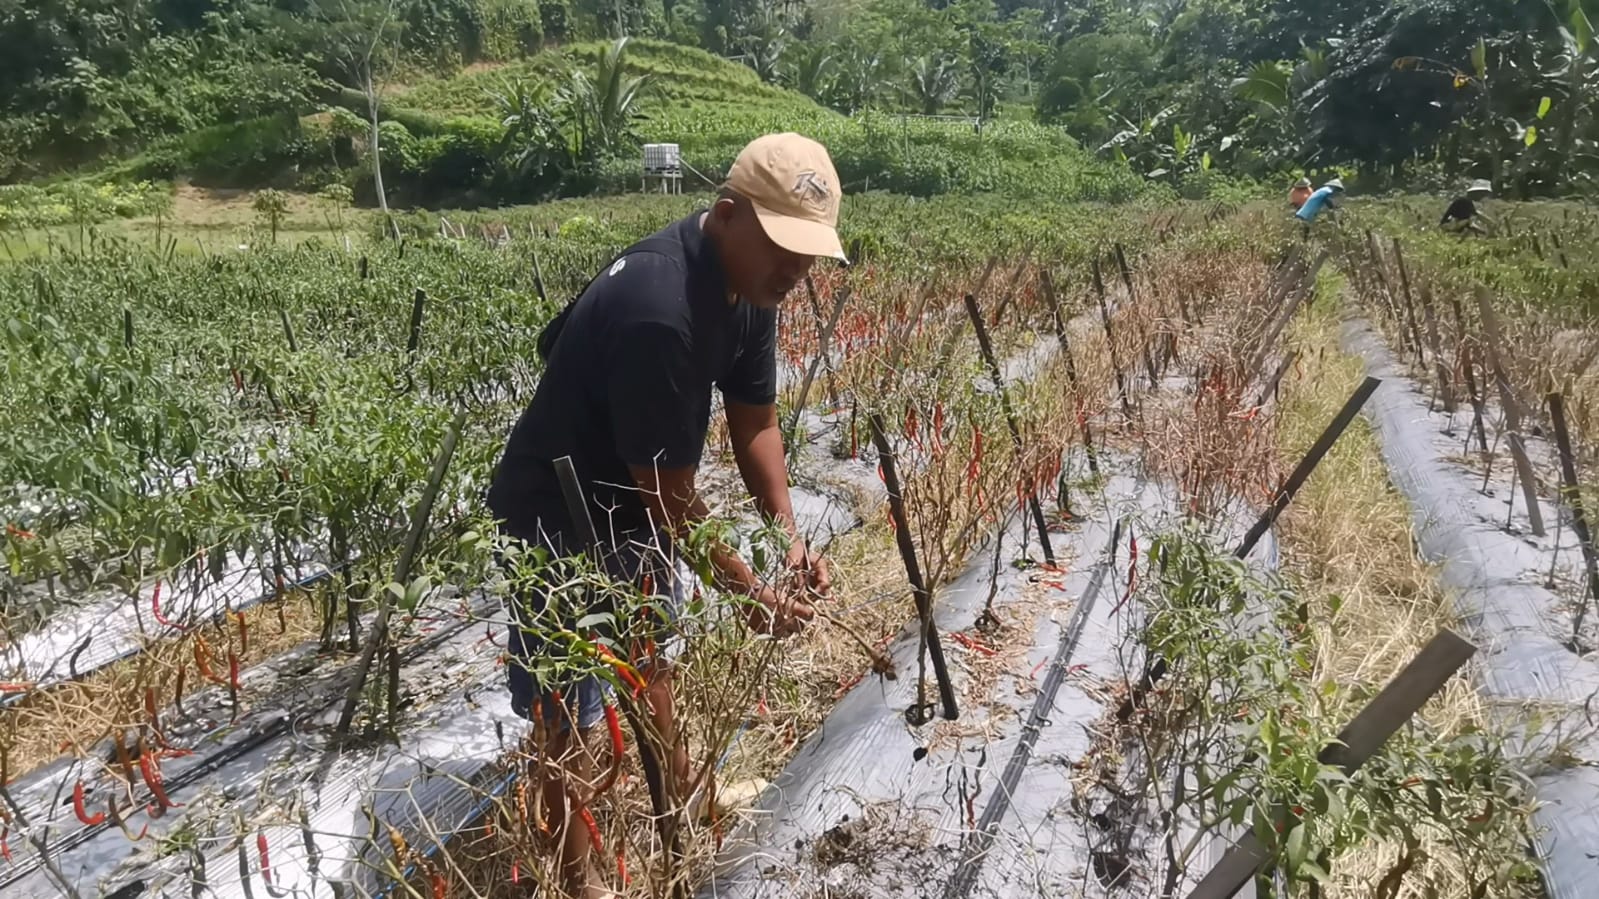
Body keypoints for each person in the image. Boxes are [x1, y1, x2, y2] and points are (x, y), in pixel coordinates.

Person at [486, 132, 843, 898]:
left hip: (627, 499)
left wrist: (787, 541)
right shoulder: (661, 307)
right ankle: (577, 881)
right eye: (785, 245)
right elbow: (671, 494)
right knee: (570, 710)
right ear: (726, 215)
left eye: (811, 252)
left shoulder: (750, 289)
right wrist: (746, 590)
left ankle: (680, 804)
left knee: (649, 662)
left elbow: (755, 425)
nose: (798, 269)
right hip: (555, 510)